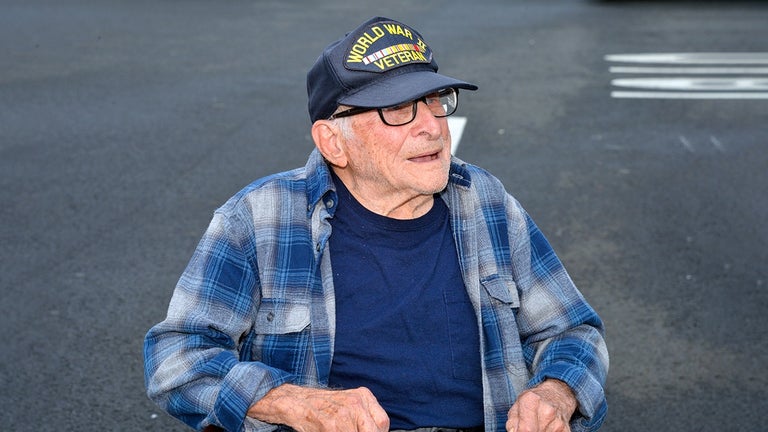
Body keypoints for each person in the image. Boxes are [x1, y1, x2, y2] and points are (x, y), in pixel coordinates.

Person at [144, 16, 609, 432]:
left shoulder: (486, 203)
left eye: (434, 101)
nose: (431, 126)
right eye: (398, 110)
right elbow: (177, 360)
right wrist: (290, 402)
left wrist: (555, 393)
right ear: (333, 142)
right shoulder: (259, 220)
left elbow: (572, 331)